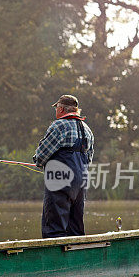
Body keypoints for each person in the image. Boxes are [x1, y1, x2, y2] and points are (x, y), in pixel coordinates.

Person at [33, 94, 94, 238]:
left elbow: (42, 154)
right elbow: (89, 158)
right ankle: (77, 257)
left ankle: (55, 258)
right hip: (81, 181)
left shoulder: (59, 125)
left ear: (61, 109)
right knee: (75, 226)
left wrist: (38, 162)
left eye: (56, 108)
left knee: (54, 226)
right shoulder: (87, 129)